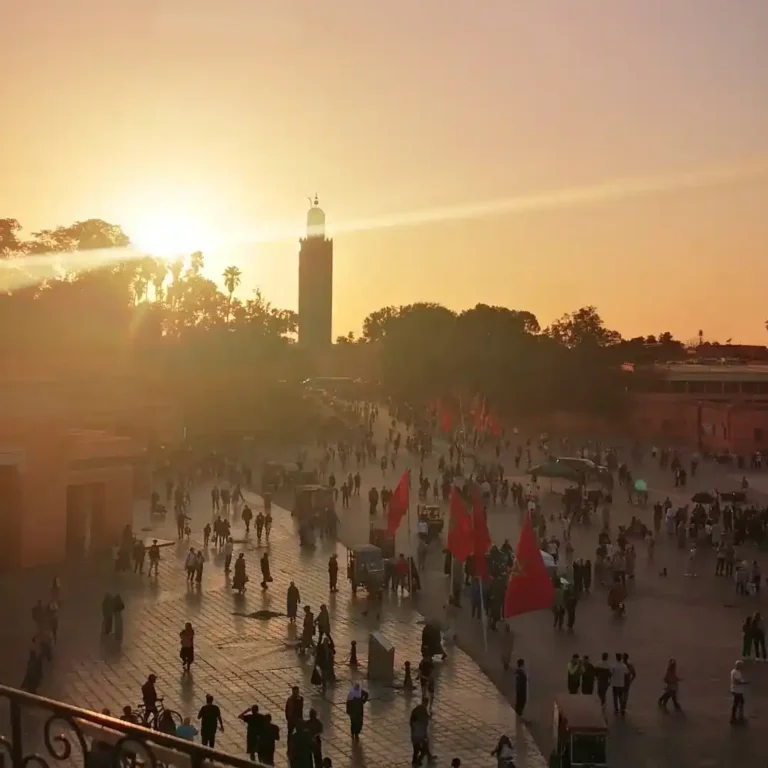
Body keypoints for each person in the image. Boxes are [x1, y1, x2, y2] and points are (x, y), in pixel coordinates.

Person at [409, 697, 434, 765]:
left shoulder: (417, 710)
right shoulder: (422, 710)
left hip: (417, 735)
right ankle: (417, 761)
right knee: (422, 750)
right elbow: (426, 720)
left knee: (418, 750)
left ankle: (416, 761)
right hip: (419, 736)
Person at [730, 660, 748, 725]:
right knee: (736, 704)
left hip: (738, 690)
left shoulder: (737, 672)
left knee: (741, 702)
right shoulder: (735, 672)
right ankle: (734, 717)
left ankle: (739, 715)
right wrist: (744, 682)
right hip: (736, 690)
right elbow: (736, 681)